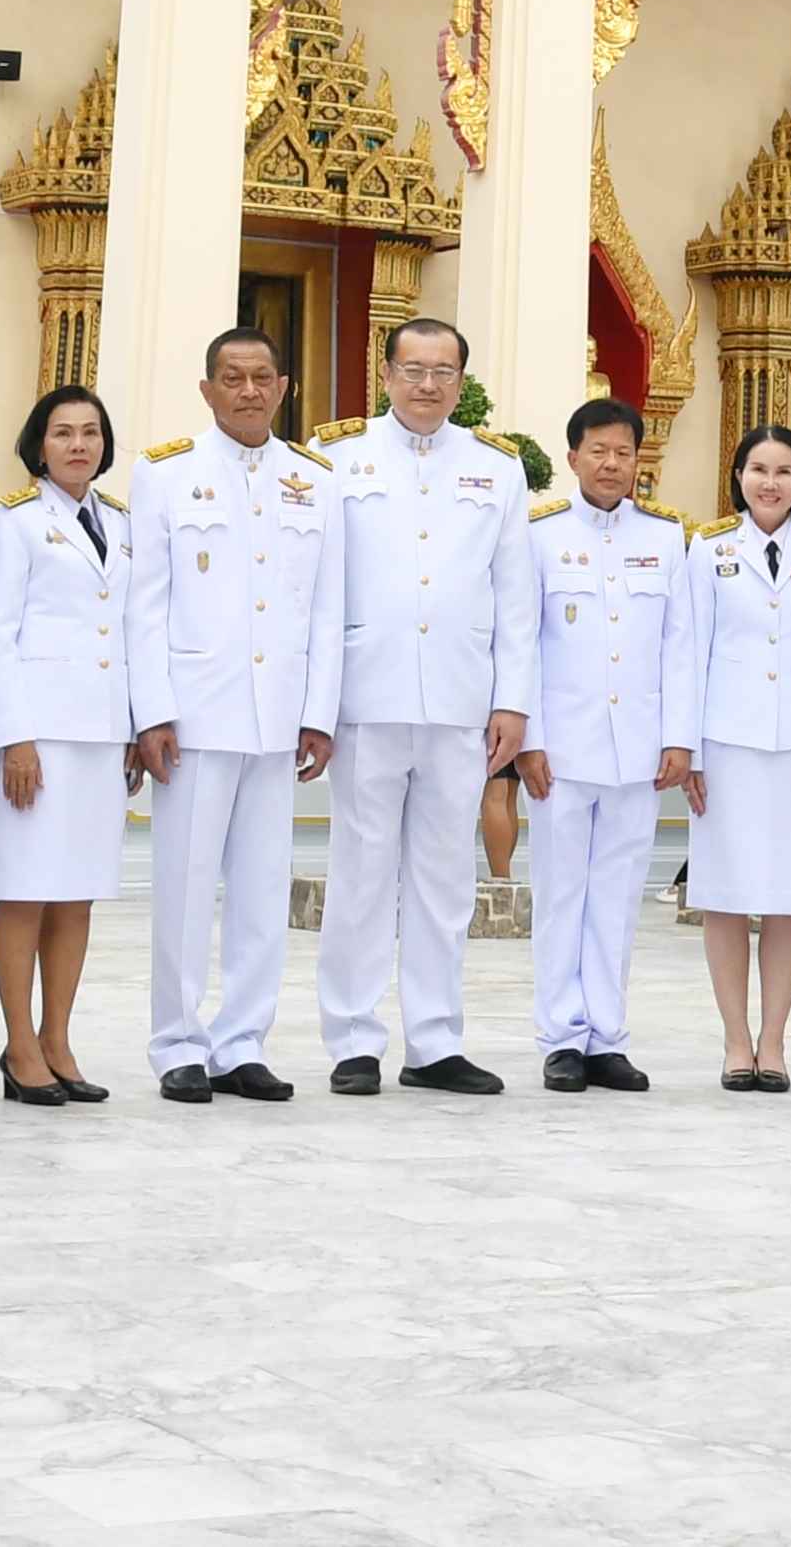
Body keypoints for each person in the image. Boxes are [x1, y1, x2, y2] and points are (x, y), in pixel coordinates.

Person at [304, 314, 535, 1096]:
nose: (427, 384)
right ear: (386, 373)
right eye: (413, 369)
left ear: (461, 381)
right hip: (366, 693)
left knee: (444, 879)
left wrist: (512, 699)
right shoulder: (338, 456)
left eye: (443, 371)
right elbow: (319, 588)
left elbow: (515, 594)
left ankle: (435, 1040)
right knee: (360, 873)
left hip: (460, 697)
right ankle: (352, 1039)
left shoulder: (497, 466)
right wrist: (317, 703)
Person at [124, 323, 331, 1103]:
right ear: (207, 389)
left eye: (261, 377)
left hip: (277, 715)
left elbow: (326, 604)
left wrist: (319, 711)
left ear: (283, 387)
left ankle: (242, 1040)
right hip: (194, 714)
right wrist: (152, 711)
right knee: (183, 886)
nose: (248, 390)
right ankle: (177, 1042)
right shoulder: (166, 472)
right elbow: (145, 603)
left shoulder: (314, 478)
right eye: (232, 377)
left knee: (260, 889)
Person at [515, 396, 682, 1095]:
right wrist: (528, 739)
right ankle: (561, 1036)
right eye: (599, 451)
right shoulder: (540, 535)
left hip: (636, 749)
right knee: (561, 894)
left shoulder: (665, 538)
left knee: (616, 897)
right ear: (573, 456)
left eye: (623, 452)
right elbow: (522, 641)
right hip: (561, 748)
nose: (611, 464)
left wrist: (678, 738)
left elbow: (678, 645)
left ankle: (607, 1037)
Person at [663, 421, 791, 1093]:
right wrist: (688, 747)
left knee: (788, 901)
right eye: (759, 469)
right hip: (726, 746)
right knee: (726, 897)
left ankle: (774, 1041)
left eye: (784, 471)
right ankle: (736, 1040)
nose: (770, 482)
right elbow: (688, 650)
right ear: (738, 476)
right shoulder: (709, 549)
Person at [0, 377, 131, 1102]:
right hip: (40, 735)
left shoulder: (119, 521)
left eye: (90, 432)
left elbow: (128, 629)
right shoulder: (16, 521)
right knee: (26, 890)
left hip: (101, 732)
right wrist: (15, 736)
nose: (78, 445)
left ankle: (57, 1037)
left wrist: (133, 728)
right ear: (39, 444)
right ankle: (18, 1044)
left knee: (78, 894)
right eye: (63, 432)